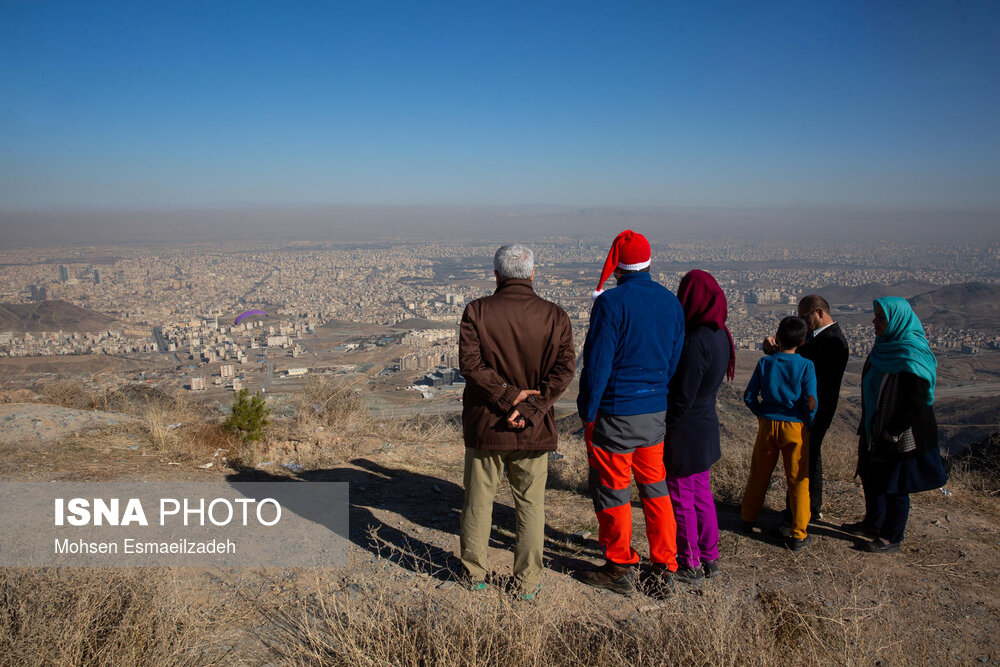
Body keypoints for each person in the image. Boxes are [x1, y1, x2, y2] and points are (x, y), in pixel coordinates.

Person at [458, 244, 576, 599]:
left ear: (497, 275)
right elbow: (564, 370)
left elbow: (470, 366)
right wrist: (528, 407)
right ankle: (526, 583)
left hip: (486, 427)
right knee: (530, 506)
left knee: (479, 501)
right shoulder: (556, 316)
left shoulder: (477, 312)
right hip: (534, 429)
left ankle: (474, 575)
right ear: (532, 274)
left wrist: (507, 397)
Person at [576, 230, 685, 595]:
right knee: (655, 489)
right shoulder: (671, 303)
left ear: (617, 265)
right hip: (654, 412)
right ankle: (665, 564)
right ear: (649, 261)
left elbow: (598, 365)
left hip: (616, 414)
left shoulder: (611, 303)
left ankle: (620, 564)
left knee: (614, 490)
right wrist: (655, 395)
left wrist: (588, 411)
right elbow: (673, 361)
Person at [842, 297, 946, 553]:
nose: (875, 322)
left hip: (902, 434)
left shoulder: (911, 352)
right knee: (871, 476)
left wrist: (894, 430)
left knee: (895, 484)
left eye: (881, 318)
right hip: (875, 427)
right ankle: (873, 523)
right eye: (875, 316)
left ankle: (892, 536)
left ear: (897, 320)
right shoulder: (883, 347)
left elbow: (917, 400)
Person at [664, 270, 735, 582]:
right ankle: (710, 556)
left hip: (685, 430)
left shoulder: (695, 341)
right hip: (705, 424)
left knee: (681, 498)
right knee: (701, 495)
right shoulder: (721, 334)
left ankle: (689, 562)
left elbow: (683, 394)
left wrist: (667, 422)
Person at [766, 295, 849, 522]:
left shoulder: (832, 342)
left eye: (804, 317)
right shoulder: (821, 338)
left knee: (803, 462)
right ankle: (810, 508)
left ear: (819, 312)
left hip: (815, 410)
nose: (802, 323)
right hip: (813, 408)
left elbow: (804, 369)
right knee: (811, 457)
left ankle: (797, 513)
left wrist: (777, 353)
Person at [742, 316, 818, 551]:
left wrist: (761, 413)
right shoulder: (806, 366)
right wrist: (809, 422)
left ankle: (747, 518)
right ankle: (798, 533)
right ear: (803, 341)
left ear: (778, 336)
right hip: (795, 427)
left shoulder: (766, 363)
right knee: (798, 480)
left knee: (759, 473)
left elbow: (749, 396)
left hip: (768, 424)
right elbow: (811, 401)